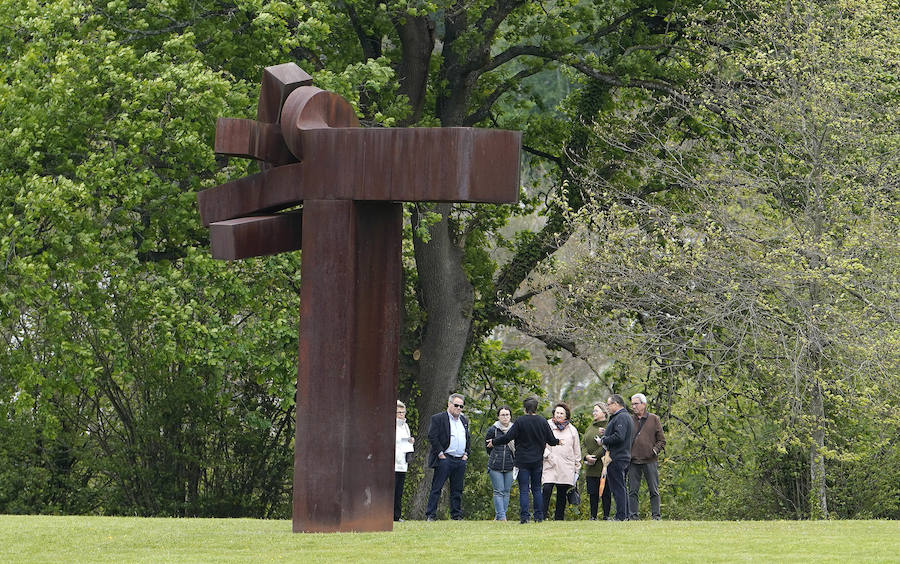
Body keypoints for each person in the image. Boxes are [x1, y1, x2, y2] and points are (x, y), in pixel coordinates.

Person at [487, 396, 560, 524]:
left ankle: (525, 517)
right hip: (537, 461)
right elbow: (551, 441)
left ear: (525, 409)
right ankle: (538, 516)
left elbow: (508, 437)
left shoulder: (520, 421)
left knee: (524, 490)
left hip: (522, 461)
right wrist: (558, 441)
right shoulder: (542, 421)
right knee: (537, 489)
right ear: (536, 408)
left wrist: (494, 442)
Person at [425, 393, 470, 521]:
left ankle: (456, 515)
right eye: (456, 405)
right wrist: (440, 453)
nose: (459, 408)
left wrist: (466, 453)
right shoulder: (438, 418)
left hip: (460, 459)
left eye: (461, 406)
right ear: (449, 404)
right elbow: (432, 436)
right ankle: (431, 514)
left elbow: (467, 438)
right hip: (445, 458)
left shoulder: (464, 420)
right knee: (437, 487)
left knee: (457, 489)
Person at [595, 394, 634, 521]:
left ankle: (621, 515)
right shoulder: (625, 417)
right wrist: (607, 431)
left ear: (616, 404)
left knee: (617, 488)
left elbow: (619, 436)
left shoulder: (621, 417)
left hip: (617, 457)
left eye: (609, 404)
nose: (607, 407)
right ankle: (625, 515)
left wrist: (603, 440)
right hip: (623, 456)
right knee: (621, 486)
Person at [628, 393, 666, 520]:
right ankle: (633, 516)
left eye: (636, 404)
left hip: (650, 460)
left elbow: (662, 440)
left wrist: (654, 451)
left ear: (643, 404)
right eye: (632, 404)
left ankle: (656, 516)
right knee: (632, 491)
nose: (633, 406)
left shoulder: (654, 419)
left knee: (653, 490)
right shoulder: (629, 420)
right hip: (633, 461)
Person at [541, 402, 581, 520]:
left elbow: (576, 450)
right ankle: (541, 516)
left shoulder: (572, 430)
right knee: (546, 489)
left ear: (566, 415)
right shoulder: (546, 425)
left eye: (561, 413)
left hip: (566, 466)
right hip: (549, 463)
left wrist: (577, 469)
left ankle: (559, 518)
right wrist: (547, 454)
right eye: (557, 413)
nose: (559, 415)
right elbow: (540, 442)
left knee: (562, 493)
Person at [582, 402, 612, 520]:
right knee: (592, 492)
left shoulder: (609, 426)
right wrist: (586, 456)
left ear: (604, 412)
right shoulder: (590, 427)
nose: (593, 413)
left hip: (603, 465)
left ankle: (606, 516)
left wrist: (594, 456)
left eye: (596, 410)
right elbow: (583, 444)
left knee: (605, 492)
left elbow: (607, 444)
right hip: (590, 466)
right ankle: (593, 516)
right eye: (593, 411)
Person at [485, 406, 515, 521]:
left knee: (506, 491)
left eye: (507, 415)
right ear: (498, 416)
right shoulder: (493, 430)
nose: (505, 417)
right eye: (503, 415)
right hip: (495, 465)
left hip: (510, 465)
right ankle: (502, 517)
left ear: (510, 416)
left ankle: (499, 516)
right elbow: (487, 447)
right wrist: (496, 456)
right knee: (498, 491)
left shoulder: (515, 429)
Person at [394, 400, 415, 522]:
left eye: (403, 412)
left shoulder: (405, 426)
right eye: (399, 412)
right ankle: (389, 514)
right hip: (394, 461)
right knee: (392, 489)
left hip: (403, 461)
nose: (402, 415)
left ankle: (397, 515)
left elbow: (406, 440)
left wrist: (410, 440)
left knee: (399, 490)